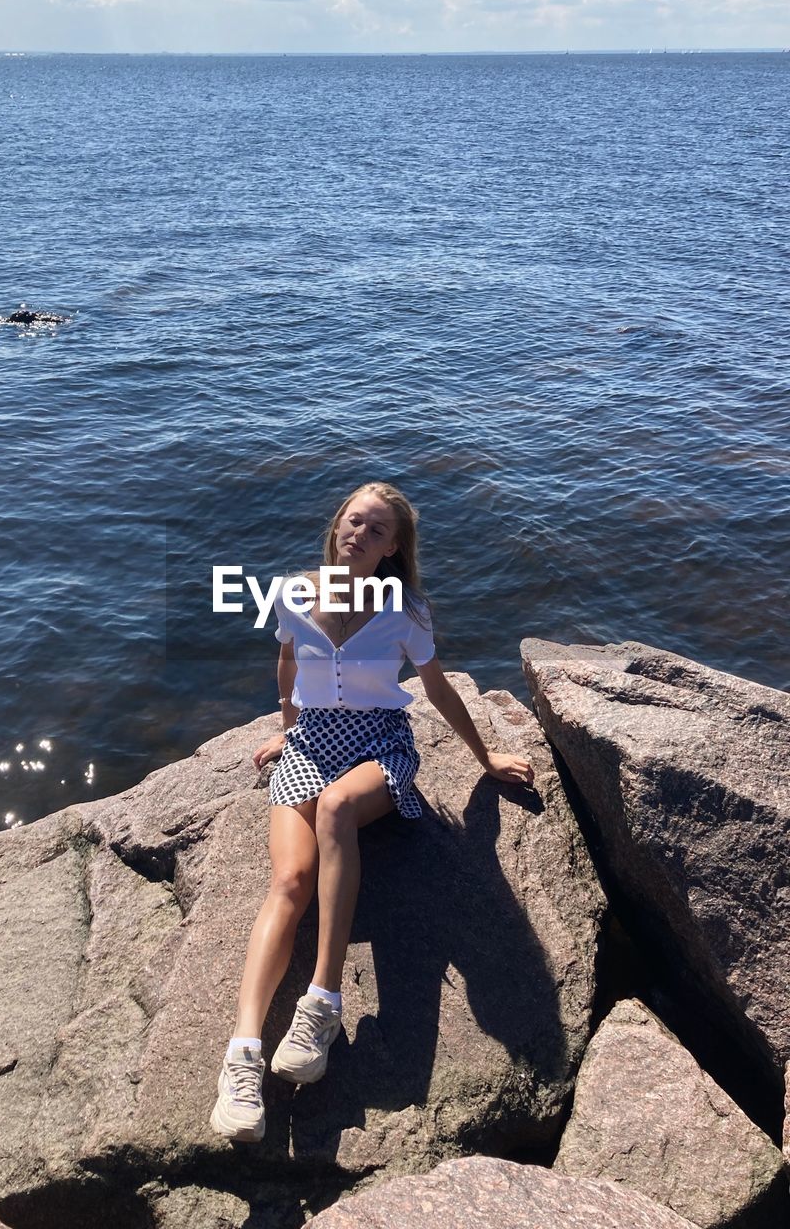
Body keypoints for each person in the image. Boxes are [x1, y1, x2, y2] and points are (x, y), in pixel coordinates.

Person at [209, 481, 534, 1143]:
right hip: (311, 743)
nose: (360, 533)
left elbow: (437, 688)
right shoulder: (294, 593)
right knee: (289, 884)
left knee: (334, 809)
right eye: (353, 521)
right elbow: (285, 662)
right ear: (336, 529)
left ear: (393, 549)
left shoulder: (405, 612)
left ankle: (322, 1002)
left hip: (378, 747)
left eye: (377, 529)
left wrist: (485, 758)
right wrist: (287, 727)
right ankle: (242, 1054)